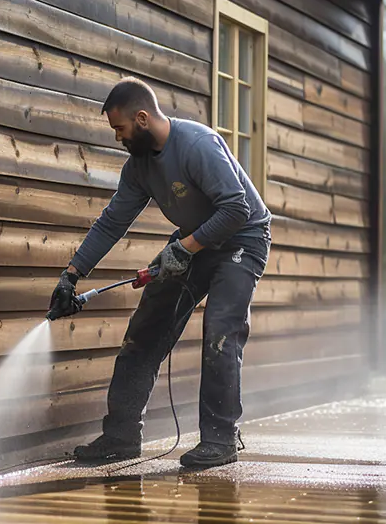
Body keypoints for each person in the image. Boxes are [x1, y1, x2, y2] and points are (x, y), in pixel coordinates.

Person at [47, 77, 272, 468]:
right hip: (194, 241)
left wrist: (183, 249)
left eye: (120, 129)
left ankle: (220, 440)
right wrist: (72, 273)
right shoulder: (138, 167)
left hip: (243, 239)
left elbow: (237, 210)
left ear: (141, 118)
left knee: (220, 329)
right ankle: (120, 436)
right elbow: (112, 222)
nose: (118, 138)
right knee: (147, 326)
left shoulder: (196, 144)